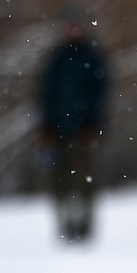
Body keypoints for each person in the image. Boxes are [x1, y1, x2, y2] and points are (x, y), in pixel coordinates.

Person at [38, 14, 109, 243]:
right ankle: (63, 227)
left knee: (85, 179)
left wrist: (93, 126)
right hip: (57, 130)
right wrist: (46, 126)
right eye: (69, 27)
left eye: (76, 27)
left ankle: (86, 228)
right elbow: (44, 95)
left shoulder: (93, 58)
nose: (72, 31)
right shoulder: (56, 59)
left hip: (85, 130)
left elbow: (100, 96)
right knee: (58, 180)